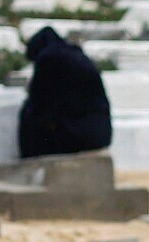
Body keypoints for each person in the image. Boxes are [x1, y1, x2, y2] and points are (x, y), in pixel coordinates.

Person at [18, 27, 112, 158]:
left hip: (80, 134)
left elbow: (39, 100)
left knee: (30, 116)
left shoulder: (48, 57)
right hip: (100, 134)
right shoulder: (75, 53)